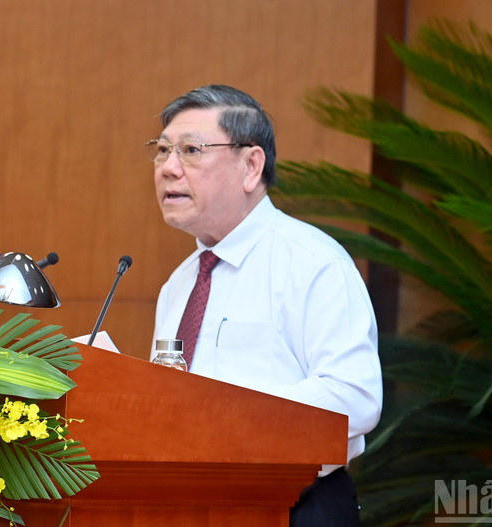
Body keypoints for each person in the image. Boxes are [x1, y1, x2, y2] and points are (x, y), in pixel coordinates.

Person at [148, 84, 382, 527]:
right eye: (162, 151)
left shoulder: (313, 262)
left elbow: (356, 396)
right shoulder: (179, 283)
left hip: (295, 509)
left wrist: (226, 418)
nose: (169, 168)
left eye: (191, 150)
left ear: (251, 165)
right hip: (194, 509)